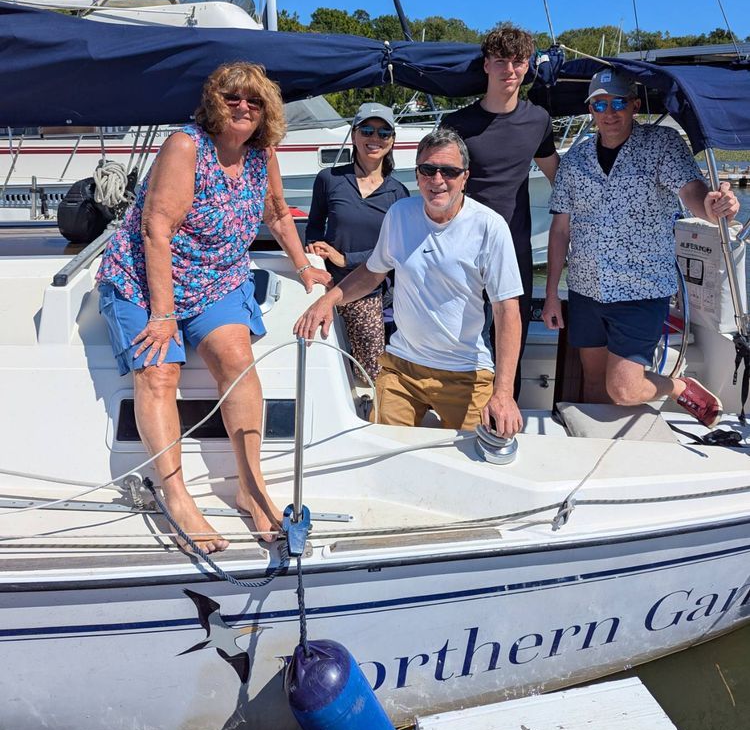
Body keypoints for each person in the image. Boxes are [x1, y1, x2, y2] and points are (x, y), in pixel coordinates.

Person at [97, 62, 330, 553]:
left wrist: (304, 265)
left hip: (215, 279)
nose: (244, 108)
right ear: (214, 103)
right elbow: (154, 230)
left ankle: (250, 484)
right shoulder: (186, 147)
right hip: (144, 278)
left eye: (255, 101)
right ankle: (176, 494)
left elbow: (278, 212)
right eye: (233, 99)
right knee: (160, 371)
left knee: (239, 364)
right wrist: (162, 317)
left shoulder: (261, 153)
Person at [542, 66, 740, 425]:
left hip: (641, 289)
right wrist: (553, 293)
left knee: (624, 388)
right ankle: (601, 459)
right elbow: (559, 230)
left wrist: (711, 208)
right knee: (592, 381)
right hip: (586, 288)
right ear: (591, 111)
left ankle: (679, 387)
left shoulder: (662, 144)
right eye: (600, 105)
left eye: (618, 102)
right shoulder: (574, 161)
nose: (610, 113)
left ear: (634, 105)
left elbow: (690, 191)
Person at [294, 128, 525, 436]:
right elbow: (372, 272)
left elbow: (507, 310)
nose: (437, 179)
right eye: (428, 170)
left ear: (465, 177)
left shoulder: (489, 227)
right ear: (417, 175)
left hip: (466, 372)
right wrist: (329, 299)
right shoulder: (400, 214)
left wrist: (504, 393)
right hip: (402, 367)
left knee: (479, 456)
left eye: (449, 171)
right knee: (380, 450)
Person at [442, 24, 558, 397]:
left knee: (512, 339)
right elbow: (438, 185)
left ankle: (506, 409)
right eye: (501, 61)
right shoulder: (458, 124)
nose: (510, 70)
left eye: (518, 62)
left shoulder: (538, 120)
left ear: (527, 67)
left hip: (514, 246)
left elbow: (560, 177)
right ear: (487, 66)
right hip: (462, 244)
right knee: (461, 332)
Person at [305, 102, 409, 383]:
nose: (374, 138)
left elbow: (395, 252)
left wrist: (346, 259)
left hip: (366, 289)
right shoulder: (329, 179)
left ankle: (366, 416)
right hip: (326, 282)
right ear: (354, 135)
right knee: (319, 358)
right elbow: (314, 227)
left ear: (392, 141)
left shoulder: (398, 193)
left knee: (370, 372)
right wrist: (315, 251)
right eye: (367, 130)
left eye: (383, 133)